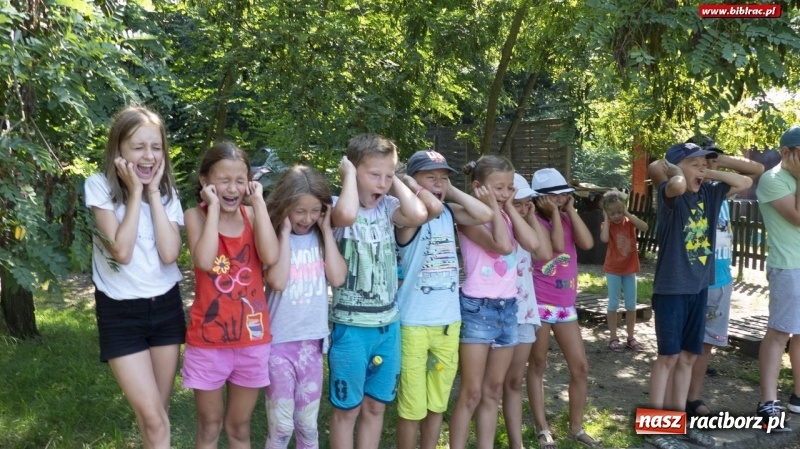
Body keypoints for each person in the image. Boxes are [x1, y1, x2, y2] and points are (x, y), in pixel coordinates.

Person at [85, 105, 185, 449]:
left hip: (166, 308)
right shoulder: (99, 187)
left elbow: (170, 254)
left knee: (158, 414)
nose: (148, 156)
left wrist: (153, 193)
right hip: (120, 312)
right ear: (118, 149)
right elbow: (122, 251)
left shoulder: (168, 194)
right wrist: (137, 192)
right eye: (138, 147)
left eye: (156, 147)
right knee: (154, 419)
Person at [650, 135, 763, 418]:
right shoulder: (669, 194)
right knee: (669, 358)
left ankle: (677, 422)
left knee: (689, 356)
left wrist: (704, 170)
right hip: (672, 289)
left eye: (704, 165)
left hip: (699, 287)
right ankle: (655, 423)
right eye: (694, 165)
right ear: (674, 168)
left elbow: (746, 182)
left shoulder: (710, 194)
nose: (701, 170)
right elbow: (676, 184)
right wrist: (678, 172)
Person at [327, 134, 427, 449]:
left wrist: (394, 180)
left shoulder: (389, 207)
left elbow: (418, 215)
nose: (381, 183)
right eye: (374, 174)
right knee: (348, 410)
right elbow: (344, 216)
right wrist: (347, 179)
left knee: (376, 406)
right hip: (352, 329)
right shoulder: (337, 205)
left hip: (387, 327)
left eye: (387, 175)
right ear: (351, 170)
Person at [183, 141, 279, 449]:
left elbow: (270, 255)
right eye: (224, 180)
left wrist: (259, 204)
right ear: (205, 182)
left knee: (239, 426)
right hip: (208, 341)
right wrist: (212, 210)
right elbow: (204, 260)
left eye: (240, 180)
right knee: (209, 425)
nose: (232, 188)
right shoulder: (195, 217)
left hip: (252, 340)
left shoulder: (253, 216)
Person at [394, 150, 493, 449]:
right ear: (412, 180)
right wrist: (414, 188)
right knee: (412, 407)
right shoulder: (407, 214)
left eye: (444, 177)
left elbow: (485, 214)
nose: (439, 183)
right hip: (414, 323)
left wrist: (451, 189)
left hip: (448, 323)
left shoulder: (449, 211)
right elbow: (431, 207)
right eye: (431, 177)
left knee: (437, 404)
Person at [448, 156, 543, 449]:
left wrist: (511, 211)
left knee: (493, 390)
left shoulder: (505, 213)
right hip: (478, 308)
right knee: (472, 392)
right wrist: (494, 209)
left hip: (508, 309)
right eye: (498, 188)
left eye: (509, 188)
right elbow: (501, 245)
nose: (504, 194)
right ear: (478, 187)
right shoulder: (466, 216)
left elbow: (534, 244)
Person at [263, 165, 348, 449]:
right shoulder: (272, 238)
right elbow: (277, 281)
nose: (307, 218)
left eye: (315, 211)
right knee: (282, 427)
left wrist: (325, 230)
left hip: (312, 343)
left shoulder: (322, 236)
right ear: (285, 206)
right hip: (279, 345)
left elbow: (337, 277)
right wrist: (285, 234)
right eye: (299, 211)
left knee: (308, 427)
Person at [525, 168, 599, 449]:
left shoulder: (568, 217)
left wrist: (569, 211)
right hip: (540, 302)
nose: (562, 200)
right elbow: (555, 245)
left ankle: (576, 427)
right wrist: (556, 213)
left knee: (580, 367)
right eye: (556, 197)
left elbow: (588, 243)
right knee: (539, 364)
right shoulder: (533, 220)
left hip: (566, 305)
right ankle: (542, 428)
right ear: (541, 198)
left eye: (564, 195)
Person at [501, 173, 553, 449]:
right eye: (516, 202)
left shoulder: (527, 225)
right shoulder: (496, 223)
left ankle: (516, 443)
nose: (522, 207)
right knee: (491, 383)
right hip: (496, 311)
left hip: (524, 310)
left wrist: (530, 216)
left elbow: (544, 253)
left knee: (514, 380)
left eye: (526, 202)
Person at [755, 125, 800, 428]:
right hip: (788, 267)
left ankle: (798, 395)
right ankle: (768, 402)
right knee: (779, 333)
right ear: (787, 152)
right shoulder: (772, 180)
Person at [599, 189, 649, 353]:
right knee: (613, 303)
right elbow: (604, 239)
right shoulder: (606, 225)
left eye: (619, 211)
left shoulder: (629, 222)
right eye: (612, 213)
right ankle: (613, 337)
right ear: (606, 213)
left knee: (631, 305)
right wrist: (606, 219)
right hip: (613, 269)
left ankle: (631, 337)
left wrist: (628, 213)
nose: (616, 215)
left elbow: (645, 227)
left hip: (629, 269)